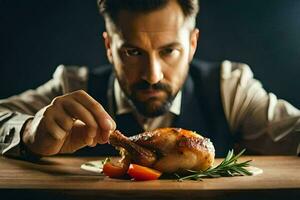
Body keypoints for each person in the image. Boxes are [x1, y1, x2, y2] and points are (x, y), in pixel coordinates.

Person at [0, 0, 299, 161]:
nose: (152, 75)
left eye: (169, 51)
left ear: (193, 44)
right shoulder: (71, 86)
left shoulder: (229, 88)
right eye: (132, 52)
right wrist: (27, 132)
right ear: (108, 47)